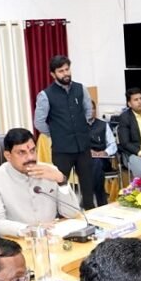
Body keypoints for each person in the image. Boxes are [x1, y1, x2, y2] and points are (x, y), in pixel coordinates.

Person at [0, 128, 81, 237]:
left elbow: (72, 213)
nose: (30, 157)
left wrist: (61, 181)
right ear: (8, 156)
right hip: (14, 242)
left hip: (50, 238)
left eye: (33, 150)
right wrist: (30, 229)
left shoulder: (50, 171)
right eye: (21, 152)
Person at [34, 55, 95, 210]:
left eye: (67, 69)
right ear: (53, 74)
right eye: (61, 71)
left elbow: (88, 111)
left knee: (88, 186)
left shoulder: (81, 89)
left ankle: (91, 213)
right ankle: (63, 215)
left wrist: (83, 127)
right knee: (61, 187)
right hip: (62, 150)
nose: (65, 73)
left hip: (83, 147)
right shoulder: (45, 95)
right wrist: (55, 134)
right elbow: (39, 122)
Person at [89, 100, 118, 206]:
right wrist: (87, 152)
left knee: (97, 163)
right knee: (94, 165)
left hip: (103, 160)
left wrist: (105, 152)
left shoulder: (103, 125)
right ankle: (101, 201)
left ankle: (87, 196)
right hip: (85, 161)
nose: (90, 111)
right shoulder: (78, 127)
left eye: (92, 108)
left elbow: (113, 144)